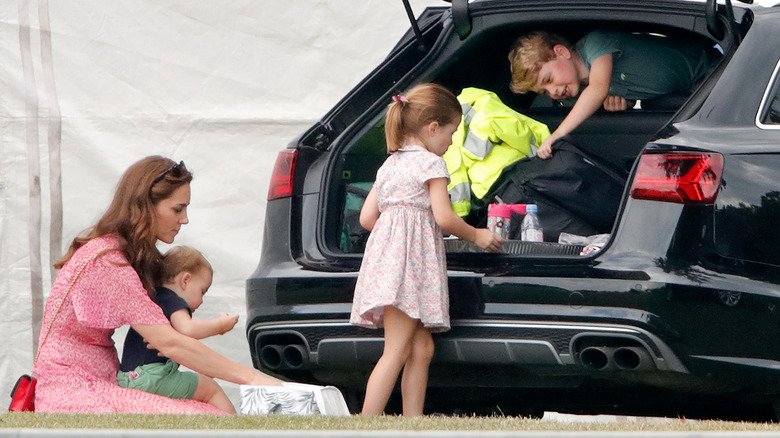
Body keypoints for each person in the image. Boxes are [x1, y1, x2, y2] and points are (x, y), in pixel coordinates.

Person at [32, 156, 280, 414]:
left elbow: (169, 339)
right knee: (207, 415)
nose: (184, 219)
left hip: (100, 381)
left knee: (205, 407)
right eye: (177, 209)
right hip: (73, 390)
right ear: (146, 206)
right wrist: (253, 379)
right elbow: (171, 343)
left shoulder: (115, 252)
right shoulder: (107, 262)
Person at [350, 83, 502, 416]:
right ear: (433, 128)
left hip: (391, 267)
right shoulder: (432, 165)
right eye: (451, 134)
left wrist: (395, 237)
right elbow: (444, 217)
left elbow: (365, 218)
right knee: (396, 350)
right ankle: (366, 422)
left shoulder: (389, 165)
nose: (450, 143)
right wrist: (476, 235)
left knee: (421, 348)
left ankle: (413, 421)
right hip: (409, 271)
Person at [508, 30, 710, 159]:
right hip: (682, 95)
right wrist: (627, 104)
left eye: (549, 79)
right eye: (544, 92)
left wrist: (557, 134)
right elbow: (627, 87)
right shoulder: (580, 95)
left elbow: (598, 88)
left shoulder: (594, 44)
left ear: (561, 52)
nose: (553, 92)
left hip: (705, 68)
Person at [118, 246, 239, 414]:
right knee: (211, 389)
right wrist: (220, 326)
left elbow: (184, 347)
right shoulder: (172, 300)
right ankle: (235, 426)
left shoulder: (153, 298)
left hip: (127, 378)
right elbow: (188, 329)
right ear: (186, 280)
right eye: (202, 291)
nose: (201, 301)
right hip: (151, 377)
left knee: (198, 381)